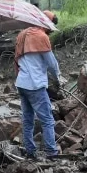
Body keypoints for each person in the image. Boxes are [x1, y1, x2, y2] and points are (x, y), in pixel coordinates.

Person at [14, 11, 61, 160]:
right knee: (47, 119)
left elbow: (17, 61)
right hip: (35, 85)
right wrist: (58, 78)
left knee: (27, 118)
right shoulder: (41, 36)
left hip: (22, 82)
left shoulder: (22, 35)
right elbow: (52, 64)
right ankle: (51, 152)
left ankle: (30, 150)